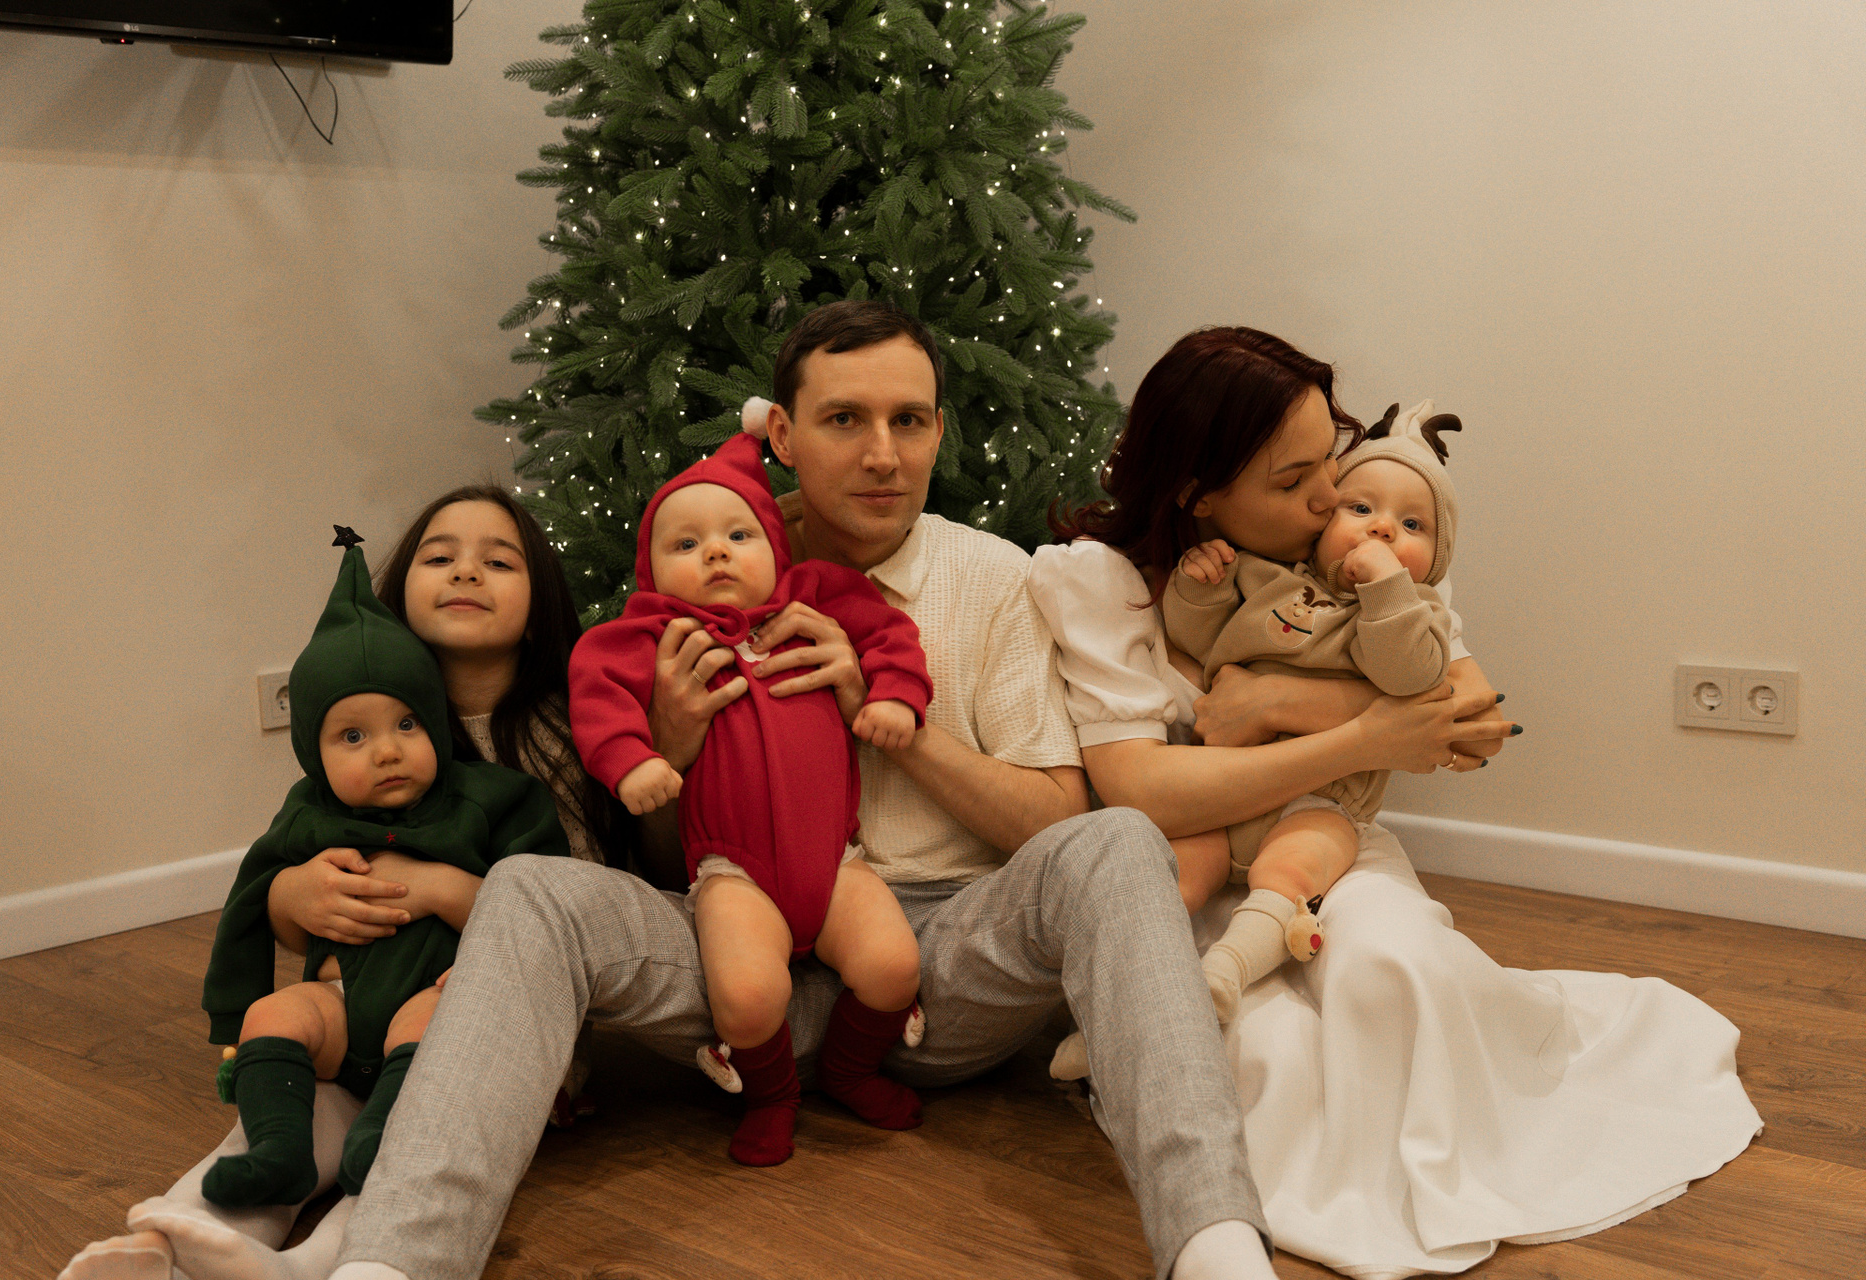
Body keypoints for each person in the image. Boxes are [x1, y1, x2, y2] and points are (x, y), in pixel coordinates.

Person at [308, 300, 1409, 1280]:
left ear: (938, 430)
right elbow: (655, 862)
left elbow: (1057, 822)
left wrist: (896, 725)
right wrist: (675, 747)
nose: (884, 454)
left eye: (910, 420)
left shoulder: (993, 578)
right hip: (733, 958)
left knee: (1118, 840)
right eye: (845, 419)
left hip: (937, 967)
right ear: (783, 435)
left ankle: (1213, 1241)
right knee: (531, 890)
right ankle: (396, 1257)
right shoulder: (692, 562)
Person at [1028, 325, 1762, 1278]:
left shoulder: (1360, 546)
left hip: (1323, 829)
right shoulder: (1105, 583)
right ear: (1198, 494)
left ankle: (1456, 1164)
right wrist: (1373, 732)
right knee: (1272, 1054)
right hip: (1189, 853)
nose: (1329, 498)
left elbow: (1473, 718)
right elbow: (1142, 790)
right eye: (1295, 482)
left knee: (1396, 973)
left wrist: (1281, 703)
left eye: (1326, 461)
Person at [62, 488, 625, 1280]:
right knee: (284, 1118)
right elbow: (280, 888)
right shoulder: (356, 724)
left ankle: (321, 1262)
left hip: (486, 1025)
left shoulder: (560, 739)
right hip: (353, 1008)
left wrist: (434, 888)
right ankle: (176, 1241)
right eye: (440, 556)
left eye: (498, 561)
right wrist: (292, 896)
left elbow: (574, 914)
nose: (466, 571)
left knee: (409, 1141)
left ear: (539, 607)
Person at [570, 421, 933, 1165]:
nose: (716, 553)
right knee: (744, 998)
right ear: (650, 571)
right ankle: (772, 1096)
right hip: (734, 871)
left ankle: (850, 1070)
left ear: (775, 547)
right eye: (686, 544)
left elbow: (890, 634)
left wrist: (896, 695)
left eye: (739, 535)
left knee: (895, 967)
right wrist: (631, 759)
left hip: (835, 861)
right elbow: (595, 685)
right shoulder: (652, 632)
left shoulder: (816, 599)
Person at [198, 527, 568, 1207]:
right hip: (338, 1004)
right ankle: (279, 1151)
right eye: (352, 736)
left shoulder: (489, 799)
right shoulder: (307, 814)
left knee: (434, 1022)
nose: (387, 752)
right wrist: (284, 904)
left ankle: (382, 1141)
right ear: (312, 754)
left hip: (438, 995)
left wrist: (450, 895)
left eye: (407, 725)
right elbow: (251, 903)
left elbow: (546, 903)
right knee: (275, 1014)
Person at [1159, 399, 1466, 1028]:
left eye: (1412, 524)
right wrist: (1198, 587)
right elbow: (1201, 639)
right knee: (1178, 871)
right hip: (1228, 785)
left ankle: (1224, 974)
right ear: (1324, 522)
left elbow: (1410, 676)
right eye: (1362, 509)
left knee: (1291, 868)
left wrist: (1387, 587)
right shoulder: (1269, 578)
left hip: (1322, 801)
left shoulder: (1418, 613)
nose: (1383, 530)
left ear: (1436, 560)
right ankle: (1131, 994)